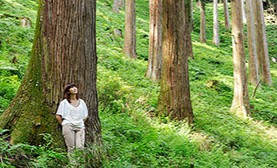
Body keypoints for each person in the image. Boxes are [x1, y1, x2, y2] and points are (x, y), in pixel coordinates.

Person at [56, 83, 88, 153]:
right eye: (71, 87)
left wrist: (80, 122)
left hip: (80, 127)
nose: (74, 88)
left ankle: (80, 163)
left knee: (80, 147)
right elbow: (58, 116)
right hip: (68, 126)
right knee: (71, 148)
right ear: (68, 91)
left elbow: (85, 116)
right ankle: (73, 164)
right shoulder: (64, 103)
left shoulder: (82, 102)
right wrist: (64, 124)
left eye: (75, 87)